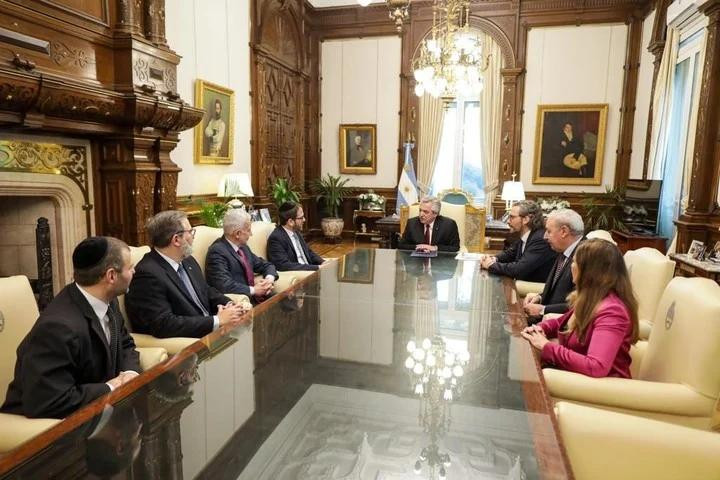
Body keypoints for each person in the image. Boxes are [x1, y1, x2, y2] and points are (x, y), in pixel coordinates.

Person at [1, 237, 141, 419]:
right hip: (49, 431)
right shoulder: (58, 327)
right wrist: (111, 387)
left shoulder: (107, 299)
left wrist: (130, 374)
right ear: (111, 276)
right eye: (130, 268)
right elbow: (48, 402)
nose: (134, 271)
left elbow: (125, 343)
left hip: (98, 413)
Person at [521, 239, 639, 378]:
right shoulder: (590, 298)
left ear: (590, 271)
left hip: (601, 390)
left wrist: (547, 346)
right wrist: (541, 328)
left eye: (574, 262)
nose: (571, 267)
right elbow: (561, 323)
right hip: (575, 376)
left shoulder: (612, 311)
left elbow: (596, 367)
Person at [125, 210, 248, 339]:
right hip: (191, 342)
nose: (193, 236)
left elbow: (205, 291)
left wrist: (230, 305)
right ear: (176, 240)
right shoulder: (147, 274)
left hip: (213, 331)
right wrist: (216, 320)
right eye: (190, 232)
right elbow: (164, 324)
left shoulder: (187, 260)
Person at [205, 209, 278, 304]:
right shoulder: (217, 252)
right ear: (237, 234)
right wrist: (254, 290)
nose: (251, 234)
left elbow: (266, 265)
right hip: (240, 304)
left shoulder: (243, 248)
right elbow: (224, 285)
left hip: (258, 300)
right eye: (248, 230)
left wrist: (268, 280)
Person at [523, 208, 584, 321]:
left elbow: (583, 302)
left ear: (564, 232)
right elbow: (558, 292)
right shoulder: (563, 250)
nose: (544, 236)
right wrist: (540, 297)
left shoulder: (586, 256)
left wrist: (543, 309)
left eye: (549, 231)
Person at [480, 200, 555, 282]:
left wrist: (491, 265)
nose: (508, 221)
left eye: (512, 217)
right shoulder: (527, 235)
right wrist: (494, 258)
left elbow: (518, 270)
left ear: (526, 219)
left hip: (535, 288)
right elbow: (509, 254)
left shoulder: (540, 239)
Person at [267, 202, 325, 271]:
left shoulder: (296, 232)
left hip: (310, 270)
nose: (304, 220)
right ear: (290, 221)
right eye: (301, 218)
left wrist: (323, 262)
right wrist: (316, 268)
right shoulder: (276, 238)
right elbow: (284, 265)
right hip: (299, 275)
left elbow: (308, 252)